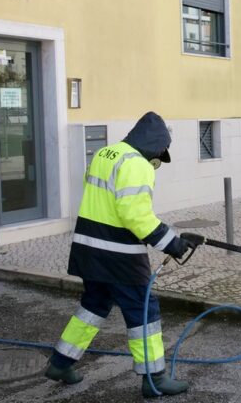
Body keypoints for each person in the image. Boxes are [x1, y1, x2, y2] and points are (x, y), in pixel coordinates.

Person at [45, 111, 194, 397]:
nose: (157, 161)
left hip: (89, 249)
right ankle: (154, 379)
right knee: (144, 311)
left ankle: (60, 363)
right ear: (157, 145)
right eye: (159, 155)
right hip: (119, 254)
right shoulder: (137, 164)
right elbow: (134, 214)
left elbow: (107, 201)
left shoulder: (105, 153)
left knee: (94, 305)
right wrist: (171, 243)